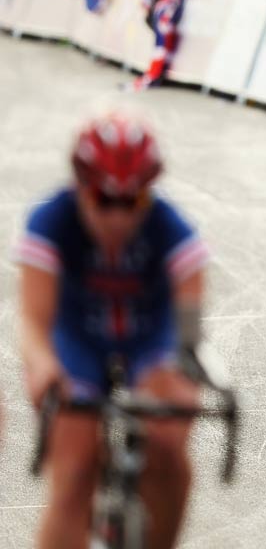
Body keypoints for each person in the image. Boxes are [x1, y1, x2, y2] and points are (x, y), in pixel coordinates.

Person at [16, 112, 208, 549]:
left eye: (133, 201)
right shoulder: (50, 221)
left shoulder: (170, 226)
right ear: (81, 187)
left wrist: (186, 368)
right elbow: (33, 321)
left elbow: (189, 321)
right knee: (74, 472)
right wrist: (42, 365)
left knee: (169, 447)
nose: (119, 217)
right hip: (77, 341)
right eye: (104, 200)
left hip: (148, 341)